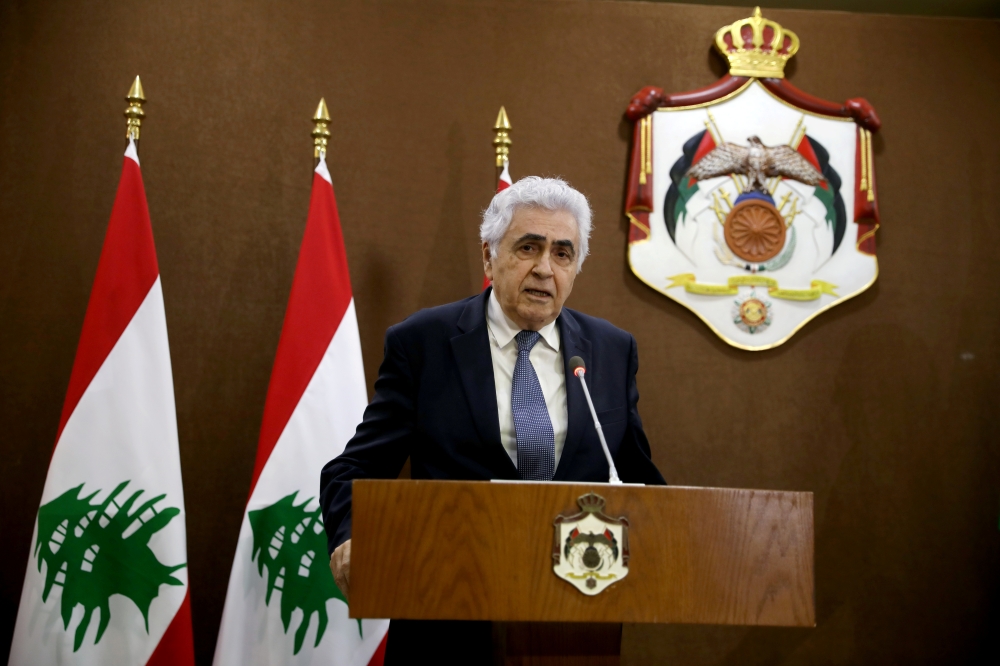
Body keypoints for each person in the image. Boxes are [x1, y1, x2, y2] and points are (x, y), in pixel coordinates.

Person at [319, 176, 665, 662]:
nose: (545, 269)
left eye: (563, 254)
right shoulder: (424, 344)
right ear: (489, 256)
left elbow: (636, 477)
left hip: (573, 622)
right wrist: (351, 535)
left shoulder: (610, 350)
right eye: (528, 248)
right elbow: (350, 470)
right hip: (447, 615)